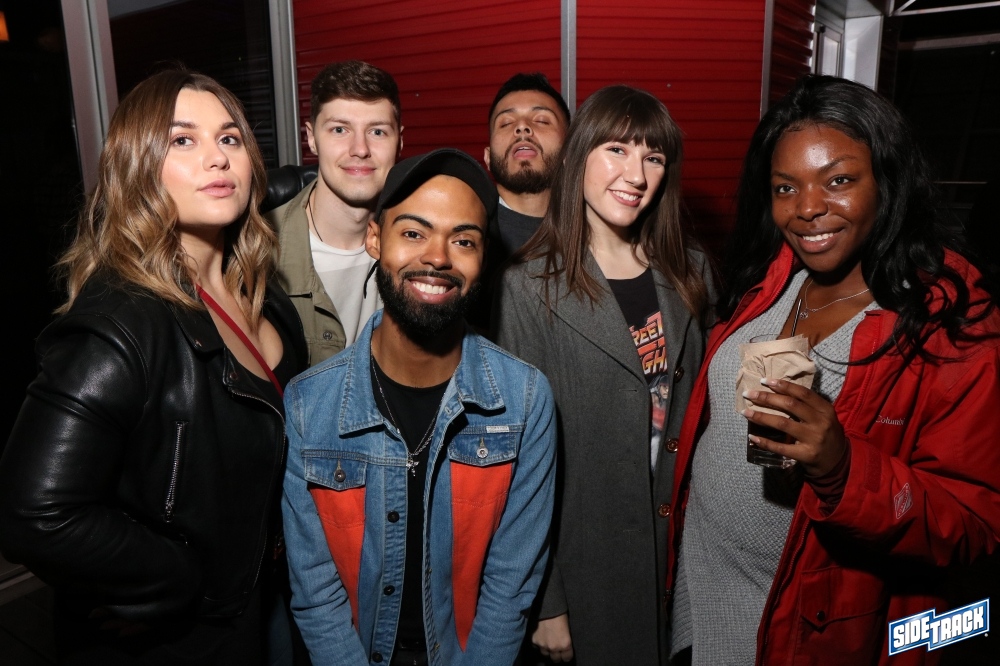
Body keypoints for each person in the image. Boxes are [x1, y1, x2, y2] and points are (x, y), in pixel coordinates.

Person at [667, 75, 1000, 665]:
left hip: (801, 634)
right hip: (701, 594)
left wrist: (843, 468)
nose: (807, 208)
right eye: (785, 187)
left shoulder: (950, 322)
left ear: (887, 181)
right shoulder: (770, 276)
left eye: (839, 180)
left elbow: (974, 525)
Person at [0, 69, 308, 664]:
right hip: (189, 640)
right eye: (183, 140)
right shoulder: (121, 320)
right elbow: (31, 513)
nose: (217, 158)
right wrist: (172, 578)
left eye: (230, 138)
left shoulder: (264, 297)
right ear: (139, 168)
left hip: (266, 602)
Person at [282, 148, 557, 666]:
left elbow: (510, 589)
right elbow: (315, 592)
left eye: (464, 240)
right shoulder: (307, 404)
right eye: (413, 232)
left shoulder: (524, 400)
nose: (437, 257)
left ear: (483, 259)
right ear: (374, 239)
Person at [495, 85, 714, 665]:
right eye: (617, 149)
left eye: (653, 157)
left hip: (682, 554)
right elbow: (514, 462)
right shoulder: (526, 286)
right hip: (588, 563)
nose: (636, 175)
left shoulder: (690, 270)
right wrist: (546, 601)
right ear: (578, 157)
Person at [266, 60, 402, 364]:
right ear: (311, 137)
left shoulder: (421, 245)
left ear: (400, 140)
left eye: (377, 132)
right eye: (339, 129)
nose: (360, 149)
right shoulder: (257, 253)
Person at [470, 73, 570, 332]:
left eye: (541, 120)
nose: (522, 128)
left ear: (570, 152)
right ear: (488, 157)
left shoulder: (596, 236)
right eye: (506, 123)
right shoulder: (465, 233)